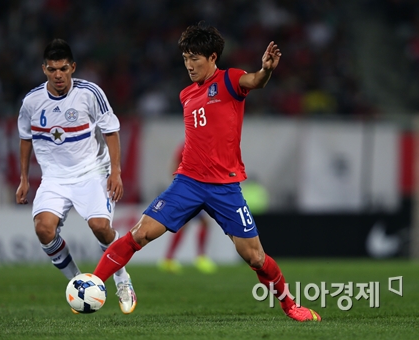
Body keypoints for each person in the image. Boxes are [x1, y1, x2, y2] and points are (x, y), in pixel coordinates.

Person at [92, 23, 321, 322]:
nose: (189, 65)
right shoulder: (186, 94)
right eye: (186, 58)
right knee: (140, 234)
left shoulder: (230, 80)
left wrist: (266, 70)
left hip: (225, 187)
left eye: (195, 58)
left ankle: (290, 305)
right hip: (187, 182)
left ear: (213, 57)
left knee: (255, 257)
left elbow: (255, 81)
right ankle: (93, 283)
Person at [15, 39, 136, 314]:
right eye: (52, 69)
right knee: (43, 229)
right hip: (54, 178)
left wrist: (115, 172)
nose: (58, 75)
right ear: (44, 69)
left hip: (91, 171)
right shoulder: (32, 101)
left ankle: (122, 279)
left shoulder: (90, 93)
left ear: (73, 68)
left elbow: (111, 131)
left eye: (63, 68)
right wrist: (24, 178)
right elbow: (25, 138)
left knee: (100, 227)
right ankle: (79, 285)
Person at [158, 142, 217, 274]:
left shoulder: (196, 146)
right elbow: (174, 164)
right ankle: (198, 258)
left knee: (190, 223)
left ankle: (169, 258)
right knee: (196, 223)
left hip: (196, 190)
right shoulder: (189, 146)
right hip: (189, 190)